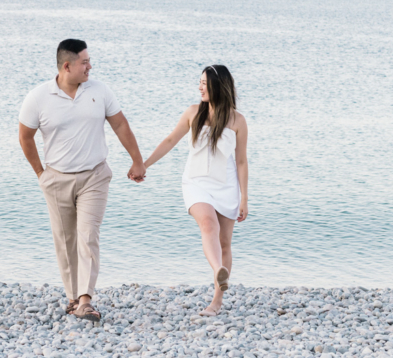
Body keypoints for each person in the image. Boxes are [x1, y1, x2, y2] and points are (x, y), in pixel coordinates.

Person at [18, 39, 147, 323]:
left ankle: (86, 300)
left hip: (95, 176)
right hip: (56, 178)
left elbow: (120, 124)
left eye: (89, 61)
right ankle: (74, 297)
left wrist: (137, 160)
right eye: (84, 62)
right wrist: (41, 173)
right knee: (65, 240)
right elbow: (25, 137)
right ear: (67, 66)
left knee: (88, 235)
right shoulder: (38, 97)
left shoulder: (99, 91)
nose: (90, 66)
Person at [141, 64, 249, 316]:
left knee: (225, 243)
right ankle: (217, 270)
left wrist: (245, 198)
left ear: (218, 86)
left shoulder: (237, 120)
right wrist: (143, 164)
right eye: (199, 82)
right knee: (208, 225)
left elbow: (242, 161)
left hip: (226, 186)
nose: (199, 87)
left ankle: (216, 302)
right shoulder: (193, 112)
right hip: (196, 183)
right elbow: (170, 140)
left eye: (204, 83)